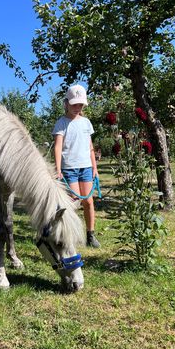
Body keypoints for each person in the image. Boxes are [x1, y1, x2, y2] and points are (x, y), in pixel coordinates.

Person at [52, 84, 100, 248]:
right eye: (74, 104)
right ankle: (69, 235)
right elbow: (58, 147)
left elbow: (90, 147)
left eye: (80, 105)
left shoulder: (86, 123)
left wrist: (94, 167)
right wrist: (58, 169)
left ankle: (90, 234)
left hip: (86, 168)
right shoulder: (61, 123)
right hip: (69, 169)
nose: (77, 107)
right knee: (74, 201)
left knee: (88, 202)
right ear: (66, 103)